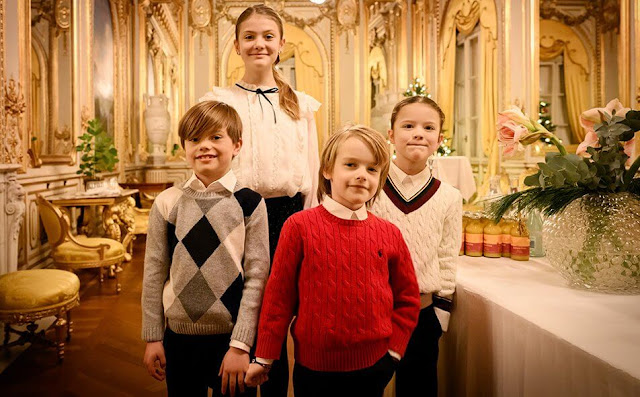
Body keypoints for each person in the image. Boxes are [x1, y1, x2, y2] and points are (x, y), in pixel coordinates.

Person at [245, 125, 421, 397]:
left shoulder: (390, 233)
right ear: (328, 169)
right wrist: (264, 357)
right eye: (351, 165)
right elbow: (278, 298)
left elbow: (408, 299)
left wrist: (394, 352)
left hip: (375, 366)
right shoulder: (299, 226)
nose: (362, 175)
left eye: (372, 169)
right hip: (314, 370)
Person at [199, 7, 321, 393]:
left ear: (282, 44)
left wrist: (312, 223)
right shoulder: (218, 101)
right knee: (234, 311)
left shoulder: (301, 104)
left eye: (268, 36)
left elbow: (312, 170)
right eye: (249, 36)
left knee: (275, 317)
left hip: (287, 218)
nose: (259, 44)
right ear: (236, 45)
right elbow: (206, 162)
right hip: (233, 215)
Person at [141, 101, 270, 397]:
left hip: (231, 341)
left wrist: (241, 344)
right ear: (184, 146)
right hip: (178, 338)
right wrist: (152, 337)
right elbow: (154, 272)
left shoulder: (250, 203)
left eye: (215, 137)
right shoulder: (167, 202)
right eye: (195, 139)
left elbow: (257, 277)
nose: (204, 146)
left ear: (236, 145)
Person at [370, 96, 463, 397]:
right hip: (370, 311)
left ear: (439, 138)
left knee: (419, 388)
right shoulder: (370, 188)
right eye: (408, 125)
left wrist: (441, 311)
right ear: (391, 135)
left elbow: (447, 256)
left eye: (428, 127)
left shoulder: (449, 197)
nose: (418, 133)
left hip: (422, 314)